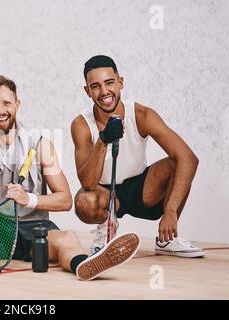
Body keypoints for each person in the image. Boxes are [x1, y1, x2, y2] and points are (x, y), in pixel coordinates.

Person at [0, 74, 140, 281]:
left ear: (17, 104)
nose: (1, 111)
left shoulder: (40, 146)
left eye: (6, 103)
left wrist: (28, 199)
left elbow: (65, 200)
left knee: (67, 239)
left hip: (35, 230)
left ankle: (84, 265)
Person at [71, 55, 204, 258]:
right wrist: (103, 140)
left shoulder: (142, 115)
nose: (104, 91)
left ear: (120, 82)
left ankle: (167, 239)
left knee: (178, 165)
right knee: (84, 202)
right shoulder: (81, 125)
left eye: (109, 83)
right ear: (87, 91)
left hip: (143, 190)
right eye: (95, 86)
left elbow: (188, 158)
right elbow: (88, 182)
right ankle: (107, 227)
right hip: (106, 195)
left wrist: (170, 211)